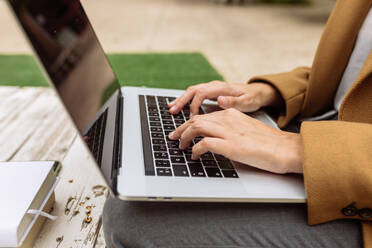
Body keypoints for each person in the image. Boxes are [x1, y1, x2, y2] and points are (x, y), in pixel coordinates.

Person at [103, 0, 372, 247]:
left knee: (138, 221)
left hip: (353, 177)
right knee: (143, 170)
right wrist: (271, 92)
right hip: (326, 129)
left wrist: (299, 150)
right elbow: (353, 76)